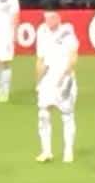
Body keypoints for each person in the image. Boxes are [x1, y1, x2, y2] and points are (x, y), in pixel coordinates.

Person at [34, 10, 79, 164]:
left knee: (67, 114)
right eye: (47, 18)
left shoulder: (67, 31)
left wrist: (66, 74)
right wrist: (38, 81)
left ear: (59, 18)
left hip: (64, 78)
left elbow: (73, 56)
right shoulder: (41, 31)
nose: (49, 20)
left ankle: (68, 150)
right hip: (47, 78)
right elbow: (40, 58)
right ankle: (46, 151)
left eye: (53, 17)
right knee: (43, 114)